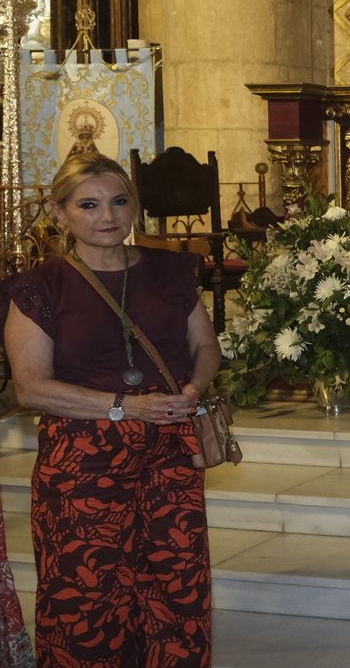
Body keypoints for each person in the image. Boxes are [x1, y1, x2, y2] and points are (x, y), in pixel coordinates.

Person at [1, 152, 219, 666]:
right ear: (59, 214)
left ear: (135, 207)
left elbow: (207, 347)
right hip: (82, 467)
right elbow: (31, 389)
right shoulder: (39, 287)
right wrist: (126, 406)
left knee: (176, 588)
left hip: (169, 454)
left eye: (120, 202)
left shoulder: (171, 269)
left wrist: (192, 389)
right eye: (89, 204)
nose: (108, 216)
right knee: (86, 596)